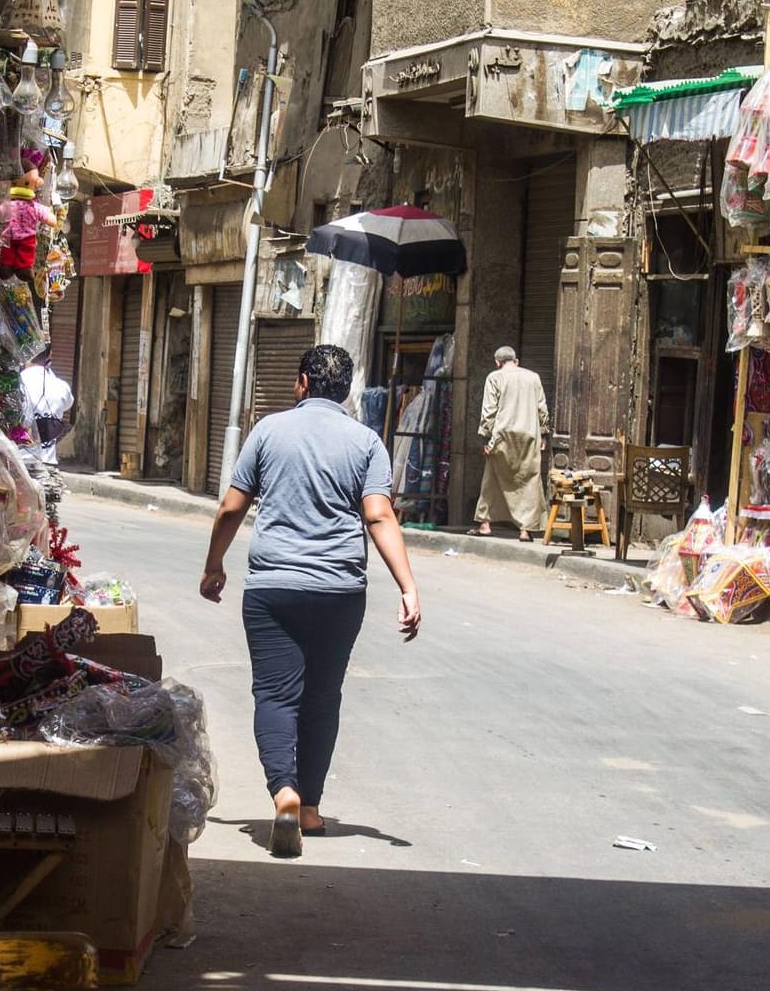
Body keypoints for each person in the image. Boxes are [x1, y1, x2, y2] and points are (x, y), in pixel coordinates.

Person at [199, 344, 422, 859]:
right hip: (339, 592)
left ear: (301, 382)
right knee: (323, 696)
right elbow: (380, 517)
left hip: (273, 588)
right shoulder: (366, 441)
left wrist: (214, 565)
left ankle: (284, 793)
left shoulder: (269, 431)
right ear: (345, 391)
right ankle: (312, 808)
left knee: (276, 695)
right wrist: (408, 586)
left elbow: (232, 506)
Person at [473, 346, 549, 542]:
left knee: (492, 478)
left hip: (503, 435)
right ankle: (525, 530)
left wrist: (485, 437)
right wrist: (544, 434)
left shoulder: (495, 377)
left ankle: (485, 524)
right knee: (529, 480)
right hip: (529, 434)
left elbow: (489, 410)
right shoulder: (534, 377)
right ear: (516, 361)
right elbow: (542, 409)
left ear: (497, 362)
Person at [19, 348, 74, 465]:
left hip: (20, 463)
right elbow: (68, 404)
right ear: (50, 355)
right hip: (48, 464)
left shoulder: (17, 383)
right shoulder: (61, 386)